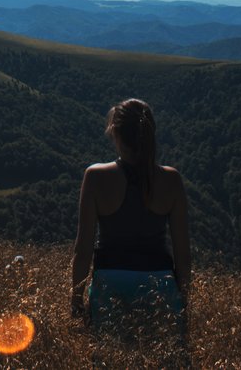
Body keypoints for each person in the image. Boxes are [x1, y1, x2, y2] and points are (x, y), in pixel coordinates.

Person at [71, 98, 190, 340]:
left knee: (110, 359)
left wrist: (76, 301)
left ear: (115, 133)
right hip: (160, 287)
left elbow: (83, 249)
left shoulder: (95, 177)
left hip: (110, 285)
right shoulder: (171, 180)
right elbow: (183, 252)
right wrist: (183, 301)